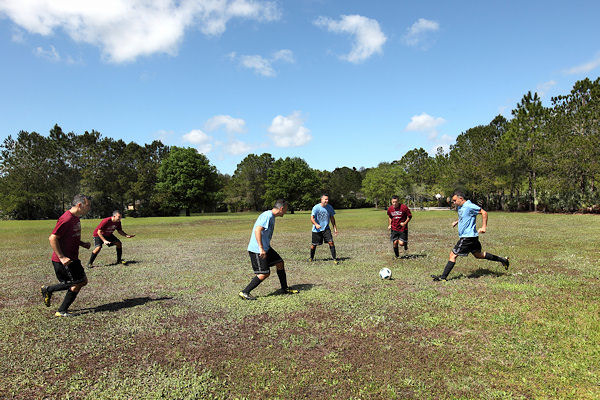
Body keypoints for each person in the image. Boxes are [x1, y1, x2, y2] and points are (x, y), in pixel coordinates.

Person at [431, 190, 509, 281]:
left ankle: (443, 277)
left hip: (467, 237)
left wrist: (484, 227)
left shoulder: (469, 206)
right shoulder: (461, 206)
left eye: (455, 200)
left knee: (453, 255)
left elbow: (484, 213)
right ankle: (503, 260)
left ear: (461, 198)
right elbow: (464, 216)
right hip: (472, 237)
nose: (454, 202)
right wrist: (457, 221)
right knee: (478, 255)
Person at [41, 194, 92, 317]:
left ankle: (61, 310)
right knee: (77, 282)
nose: (89, 208)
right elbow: (53, 238)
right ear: (80, 205)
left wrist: (82, 244)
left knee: (81, 281)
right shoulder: (66, 218)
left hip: (73, 258)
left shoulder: (76, 217)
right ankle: (49, 291)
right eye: (88, 205)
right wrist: (62, 257)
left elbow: (70, 237)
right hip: (63, 260)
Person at [239, 199, 299, 300]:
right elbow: (257, 230)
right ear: (281, 208)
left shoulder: (271, 216)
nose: (286, 212)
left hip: (266, 247)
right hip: (257, 249)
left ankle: (284, 288)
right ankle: (245, 292)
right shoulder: (267, 216)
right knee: (264, 273)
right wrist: (261, 248)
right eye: (286, 209)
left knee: (279, 263)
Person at [309, 194, 339, 264]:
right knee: (314, 245)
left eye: (327, 199)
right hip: (316, 230)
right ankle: (311, 257)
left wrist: (335, 228)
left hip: (326, 229)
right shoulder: (316, 207)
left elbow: (332, 218)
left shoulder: (330, 207)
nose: (326, 201)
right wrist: (316, 224)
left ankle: (334, 259)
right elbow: (311, 218)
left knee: (331, 242)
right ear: (321, 200)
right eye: (325, 199)